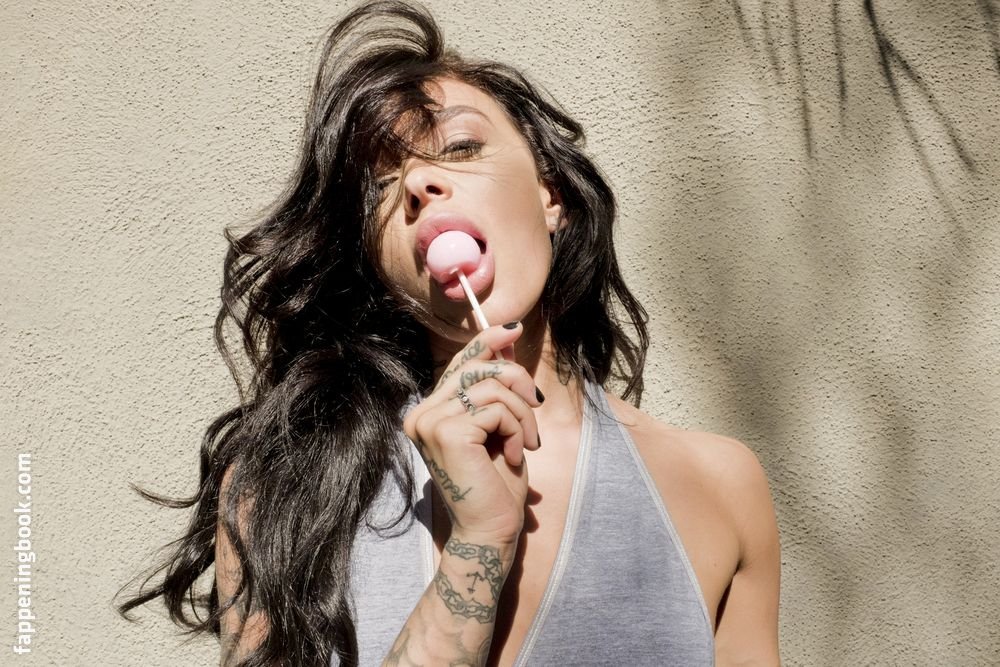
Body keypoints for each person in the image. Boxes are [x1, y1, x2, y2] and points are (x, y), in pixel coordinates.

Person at [116, 1, 781, 665]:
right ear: (376, 266)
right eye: (380, 186)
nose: (419, 183)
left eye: (461, 147)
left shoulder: (719, 486)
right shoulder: (281, 490)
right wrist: (478, 544)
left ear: (551, 196)